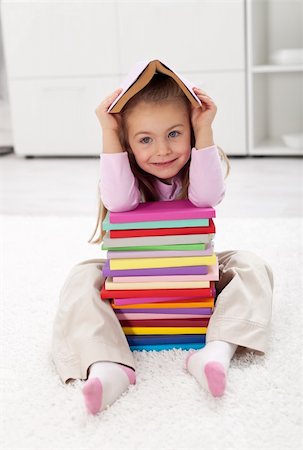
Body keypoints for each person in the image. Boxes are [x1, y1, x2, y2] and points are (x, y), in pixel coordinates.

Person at [52, 71, 274, 415]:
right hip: (132, 285)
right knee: (82, 276)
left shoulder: (199, 166)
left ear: (189, 130)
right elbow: (120, 204)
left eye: (175, 133)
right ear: (127, 145)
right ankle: (106, 363)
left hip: (194, 280)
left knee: (249, 263)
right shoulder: (124, 177)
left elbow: (206, 196)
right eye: (144, 140)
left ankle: (217, 349)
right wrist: (109, 132)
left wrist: (204, 130)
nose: (163, 150)